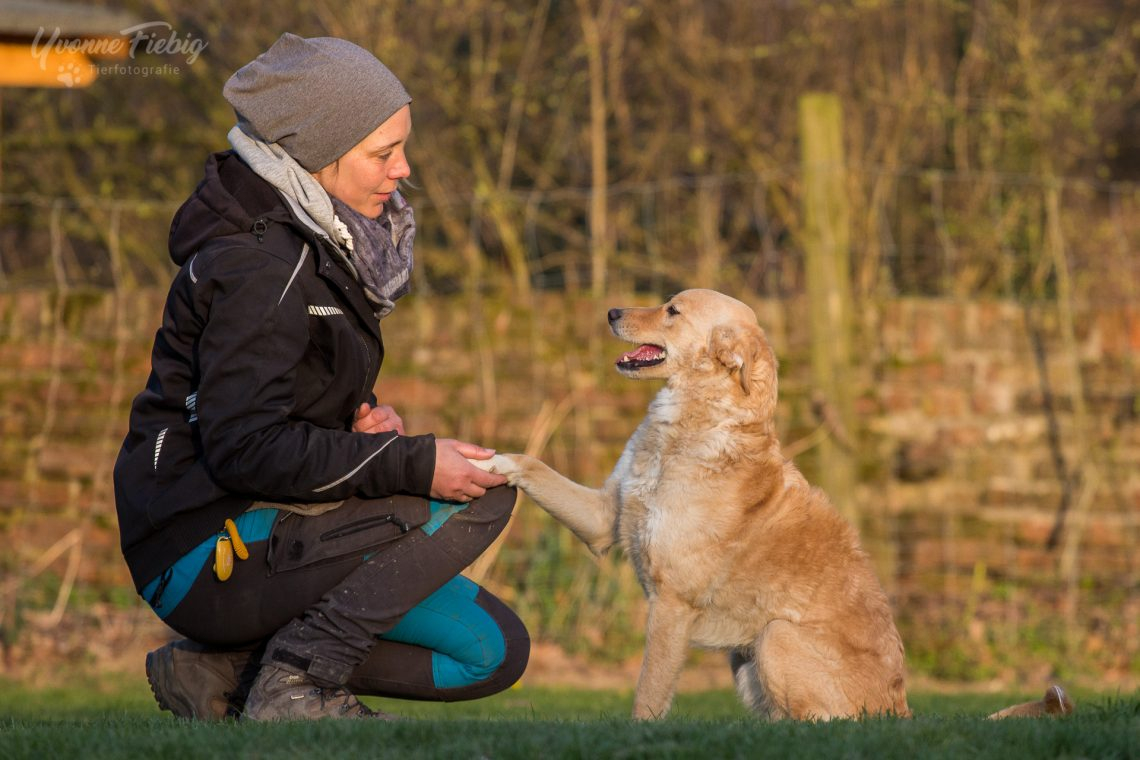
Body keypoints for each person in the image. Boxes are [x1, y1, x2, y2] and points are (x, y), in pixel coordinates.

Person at [113, 33, 528, 721]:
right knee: (485, 495)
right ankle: (299, 683)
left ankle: (223, 674)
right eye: (382, 152)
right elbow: (244, 445)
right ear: (315, 150)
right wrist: (407, 461)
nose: (402, 169)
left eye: (402, 147)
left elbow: (281, 414)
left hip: (265, 527)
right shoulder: (261, 266)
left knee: (490, 652)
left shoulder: (319, 244)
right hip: (201, 547)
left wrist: (354, 428)